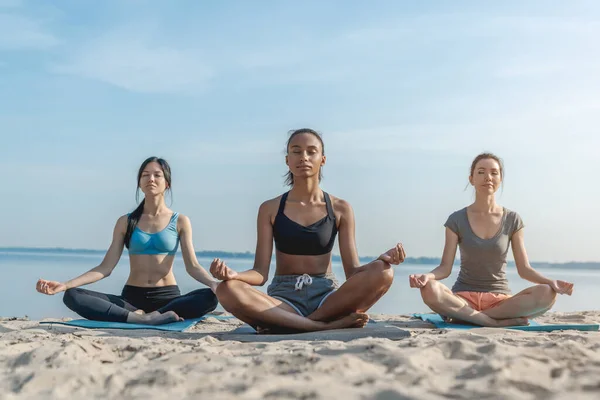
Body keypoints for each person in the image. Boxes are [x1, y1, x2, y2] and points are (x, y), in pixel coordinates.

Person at [211, 128, 405, 333]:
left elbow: (353, 273)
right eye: (296, 151)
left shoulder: (340, 208)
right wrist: (234, 275)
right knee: (226, 289)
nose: (304, 157)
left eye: (311, 151)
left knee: (383, 272)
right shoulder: (270, 208)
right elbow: (260, 273)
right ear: (287, 160)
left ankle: (297, 323)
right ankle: (319, 326)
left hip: (327, 300)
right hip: (283, 300)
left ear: (322, 159)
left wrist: (380, 260)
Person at [35, 157, 219, 325]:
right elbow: (105, 268)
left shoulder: (180, 221)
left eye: (157, 175)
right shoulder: (126, 222)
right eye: (145, 175)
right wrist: (65, 285)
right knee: (72, 295)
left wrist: (214, 284)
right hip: (131, 300)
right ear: (139, 183)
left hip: (168, 297)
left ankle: (151, 315)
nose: (151, 179)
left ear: (167, 183)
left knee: (210, 297)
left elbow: (193, 266)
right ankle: (140, 318)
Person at [409, 152, 574, 327]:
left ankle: (469, 318)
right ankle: (492, 323)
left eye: (494, 173)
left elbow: (524, 269)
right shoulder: (456, 220)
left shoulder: (512, 219)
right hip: (462, 299)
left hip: (501, 303)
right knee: (429, 288)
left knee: (547, 293)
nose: (488, 177)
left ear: (500, 179)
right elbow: (444, 268)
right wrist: (426, 277)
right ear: (471, 179)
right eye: (481, 172)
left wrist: (551, 282)